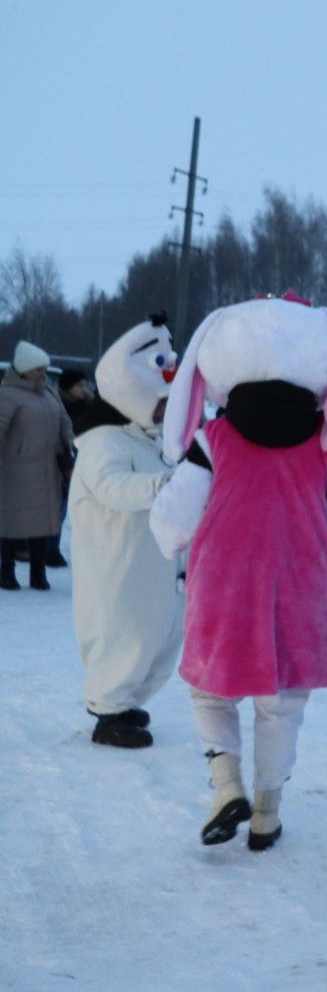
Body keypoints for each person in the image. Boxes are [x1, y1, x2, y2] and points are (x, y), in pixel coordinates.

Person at [149, 296, 327, 851]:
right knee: (282, 705)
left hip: (223, 588)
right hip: (299, 593)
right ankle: (266, 810)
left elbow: (173, 519)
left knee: (211, 692)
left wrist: (165, 535)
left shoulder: (213, 442)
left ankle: (225, 784)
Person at [67, 315, 182, 748]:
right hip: (115, 566)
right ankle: (107, 711)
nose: (163, 410)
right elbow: (114, 488)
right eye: (158, 401)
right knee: (121, 632)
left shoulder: (144, 438)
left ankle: (124, 699)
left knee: (154, 632)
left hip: (148, 563)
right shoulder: (102, 442)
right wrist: (164, 486)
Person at [1, 341, 75, 592]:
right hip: (16, 470)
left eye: (45, 368)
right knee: (12, 524)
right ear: (24, 369)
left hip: (47, 470)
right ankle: (6, 572)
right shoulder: (7, 394)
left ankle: (38, 574)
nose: (44, 373)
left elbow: (64, 419)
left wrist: (70, 443)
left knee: (42, 525)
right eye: (38, 369)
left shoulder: (49, 392)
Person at [50, 367, 91, 566]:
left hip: (83, 461)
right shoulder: (57, 406)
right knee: (58, 506)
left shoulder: (89, 406)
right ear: (68, 387)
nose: (84, 389)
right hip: (60, 460)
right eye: (80, 386)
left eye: (85, 385)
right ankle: (51, 548)